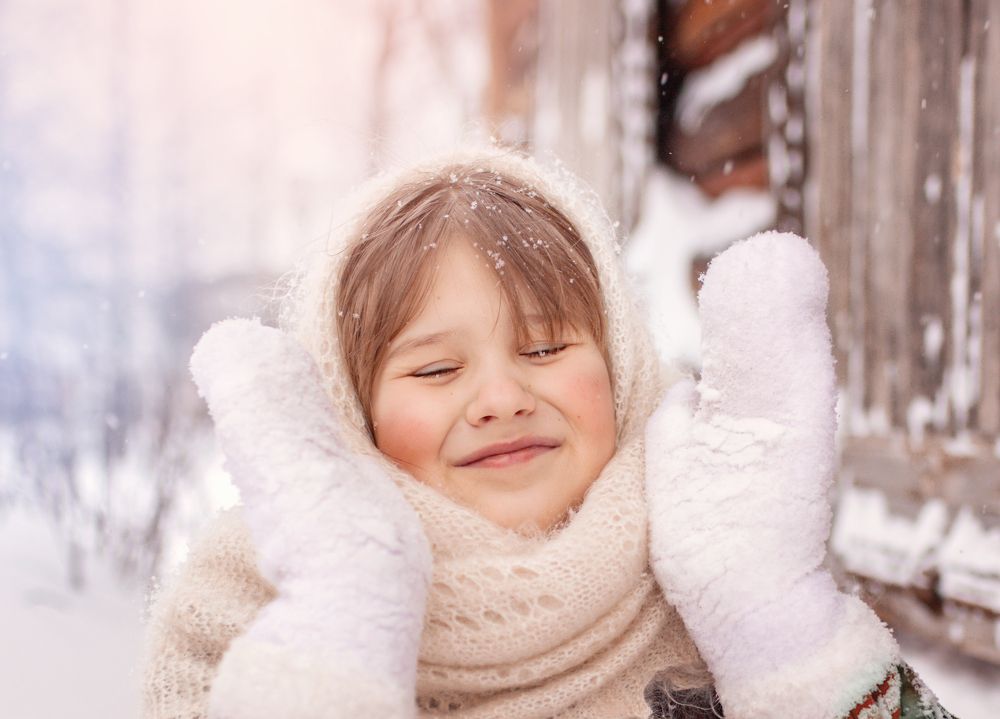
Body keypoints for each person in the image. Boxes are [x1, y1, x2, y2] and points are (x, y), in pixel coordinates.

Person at [141, 147, 954, 718]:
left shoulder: (712, 560)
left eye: (542, 346)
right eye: (434, 370)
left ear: (619, 360)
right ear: (350, 408)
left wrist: (784, 631)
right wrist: (329, 647)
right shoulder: (246, 603)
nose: (500, 396)